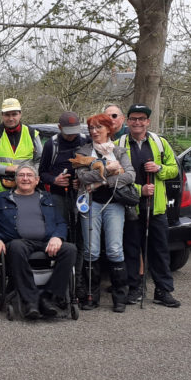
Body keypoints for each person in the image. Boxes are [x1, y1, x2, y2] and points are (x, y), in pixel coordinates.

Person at [0, 164, 78, 319]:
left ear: (37, 180)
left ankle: (48, 297)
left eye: (29, 175)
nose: (25, 178)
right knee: (17, 246)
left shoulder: (47, 198)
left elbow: (61, 223)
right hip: (18, 242)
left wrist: (57, 237)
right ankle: (30, 300)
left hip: (46, 242)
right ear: (15, 179)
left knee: (70, 249)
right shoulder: (1, 199)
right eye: (21, 175)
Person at [116, 103, 182, 308]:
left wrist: (159, 168)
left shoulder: (159, 143)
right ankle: (134, 288)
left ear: (147, 122)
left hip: (157, 207)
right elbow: (114, 176)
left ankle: (163, 290)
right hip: (130, 207)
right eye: (133, 119)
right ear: (128, 121)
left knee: (160, 250)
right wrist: (139, 189)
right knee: (132, 249)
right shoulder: (118, 144)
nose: (137, 122)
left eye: (141, 119)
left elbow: (174, 169)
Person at [73, 112, 135, 313]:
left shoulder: (119, 151)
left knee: (115, 249)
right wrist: (110, 170)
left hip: (114, 203)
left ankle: (120, 298)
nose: (94, 131)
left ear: (109, 129)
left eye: (99, 127)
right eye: (91, 128)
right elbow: (82, 177)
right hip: (89, 203)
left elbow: (130, 175)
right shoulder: (83, 151)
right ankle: (91, 296)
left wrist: (100, 182)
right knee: (91, 250)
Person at [0, 98, 43, 194]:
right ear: (2, 115)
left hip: (26, 191)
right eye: (7, 115)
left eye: (14, 114)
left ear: (20, 114)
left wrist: (28, 175)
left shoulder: (32, 133)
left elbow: (40, 161)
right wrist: (7, 169)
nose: (11, 118)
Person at [39, 111, 89, 219]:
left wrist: (82, 179)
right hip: (58, 193)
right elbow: (42, 173)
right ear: (60, 127)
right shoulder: (51, 145)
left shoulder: (86, 141)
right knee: (61, 223)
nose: (72, 135)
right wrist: (54, 180)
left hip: (82, 192)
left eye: (74, 132)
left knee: (81, 226)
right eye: (68, 132)